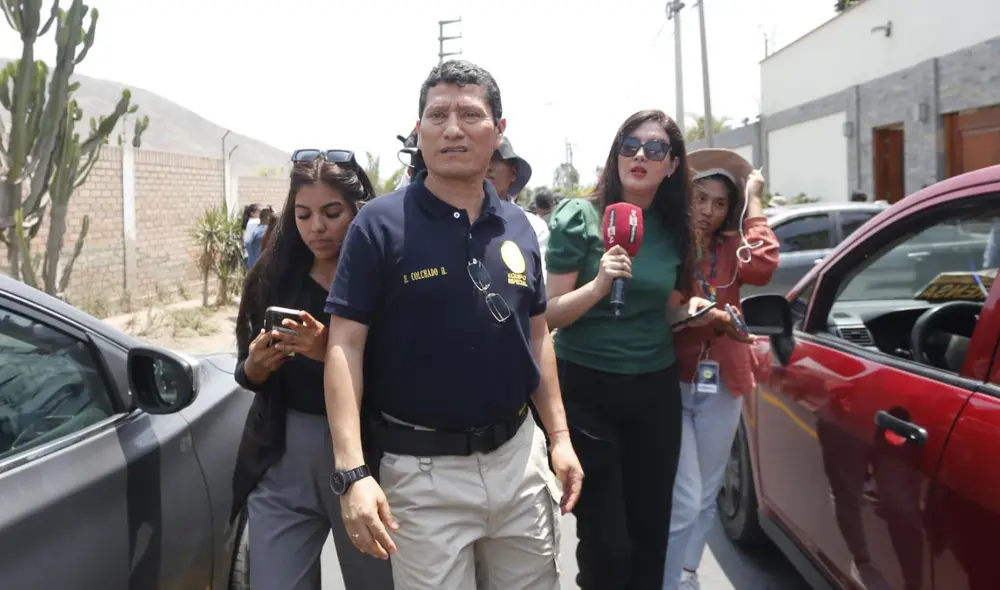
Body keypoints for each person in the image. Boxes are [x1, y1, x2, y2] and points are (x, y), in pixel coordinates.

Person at [323, 59, 583, 590]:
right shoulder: (379, 224)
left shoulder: (518, 226)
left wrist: (558, 436)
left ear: (499, 131)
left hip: (518, 462)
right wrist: (353, 472)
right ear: (418, 132)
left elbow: (536, 334)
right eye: (436, 115)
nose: (453, 128)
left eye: (470, 114)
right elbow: (344, 347)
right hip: (422, 479)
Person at [544, 109, 702, 589]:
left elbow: (667, 307)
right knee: (608, 545)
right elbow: (547, 315)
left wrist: (695, 310)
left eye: (655, 149)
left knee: (650, 532)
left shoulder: (675, 227)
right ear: (615, 155)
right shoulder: (579, 218)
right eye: (629, 145)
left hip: (654, 390)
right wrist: (597, 286)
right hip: (587, 389)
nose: (640, 155)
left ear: (671, 165)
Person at [231, 150, 392, 590]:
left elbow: (409, 374)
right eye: (302, 214)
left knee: (377, 582)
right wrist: (256, 365)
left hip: (366, 456)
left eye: (331, 212)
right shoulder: (273, 274)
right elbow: (244, 371)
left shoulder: (385, 271)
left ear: (358, 210)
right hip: (282, 456)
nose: (316, 227)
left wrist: (332, 353)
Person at [663, 149, 779, 590]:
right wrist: (699, 314)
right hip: (671, 378)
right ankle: (670, 576)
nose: (709, 211)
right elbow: (658, 299)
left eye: (720, 202)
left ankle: (687, 572)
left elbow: (764, 266)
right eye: (700, 199)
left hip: (722, 380)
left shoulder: (733, 247)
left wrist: (755, 201)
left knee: (706, 490)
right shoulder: (670, 242)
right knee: (686, 494)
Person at [487, 136, 550, 280]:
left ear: (513, 173)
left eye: (496, 159)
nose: (488, 166)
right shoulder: (457, 219)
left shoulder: (533, 226)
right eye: (483, 158)